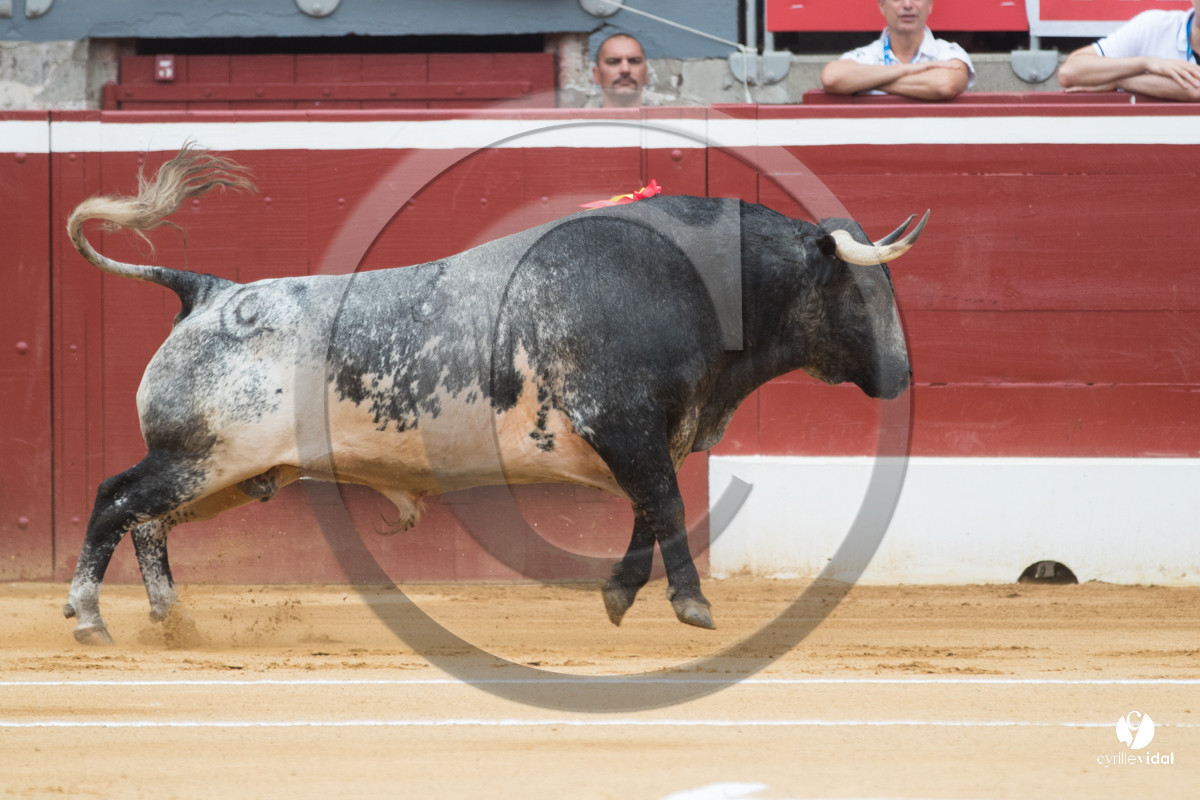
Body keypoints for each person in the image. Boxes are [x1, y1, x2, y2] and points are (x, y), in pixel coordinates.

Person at [821, 0, 974, 101]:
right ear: (881, 6)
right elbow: (832, 77)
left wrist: (865, 82)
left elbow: (945, 85)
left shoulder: (947, 51)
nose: (907, 5)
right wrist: (909, 69)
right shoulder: (868, 54)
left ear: (930, 5)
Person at [1057, 3, 1200, 101]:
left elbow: (1196, 91)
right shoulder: (1154, 25)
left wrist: (1118, 81)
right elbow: (1069, 72)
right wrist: (1147, 63)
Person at [592, 33, 648, 108]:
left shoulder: (666, 119)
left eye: (634, 61)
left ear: (646, 74)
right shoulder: (577, 119)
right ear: (597, 75)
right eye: (613, 62)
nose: (625, 69)